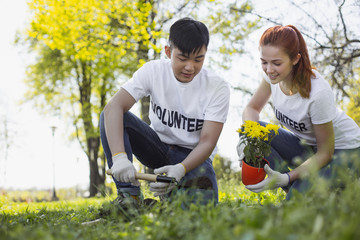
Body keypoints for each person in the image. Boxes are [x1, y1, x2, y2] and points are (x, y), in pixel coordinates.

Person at [100, 17, 230, 207]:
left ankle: (166, 201)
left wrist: (181, 168)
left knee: (202, 210)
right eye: (183, 58)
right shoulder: (153, 71)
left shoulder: (217, 87)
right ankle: (130, 198)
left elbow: (208, 142)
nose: (190, 67)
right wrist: (119, 158)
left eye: (198, 59)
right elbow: (113, 107)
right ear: (168, 52)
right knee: (111, 115)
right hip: (157, 147)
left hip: (193, 158)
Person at [237, 25, 360, 199]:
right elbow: (251, 108)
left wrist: (287, 177)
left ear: (295, 59)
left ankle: (315, 189)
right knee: (254, 130)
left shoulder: (318, 93)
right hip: (309, 148)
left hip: (345, 151)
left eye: (277, 63)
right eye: (264, 62)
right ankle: (299, 187)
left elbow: (325, 153)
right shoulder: (272, 77)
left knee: (295, 202)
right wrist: (248, 138)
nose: (269, 70)